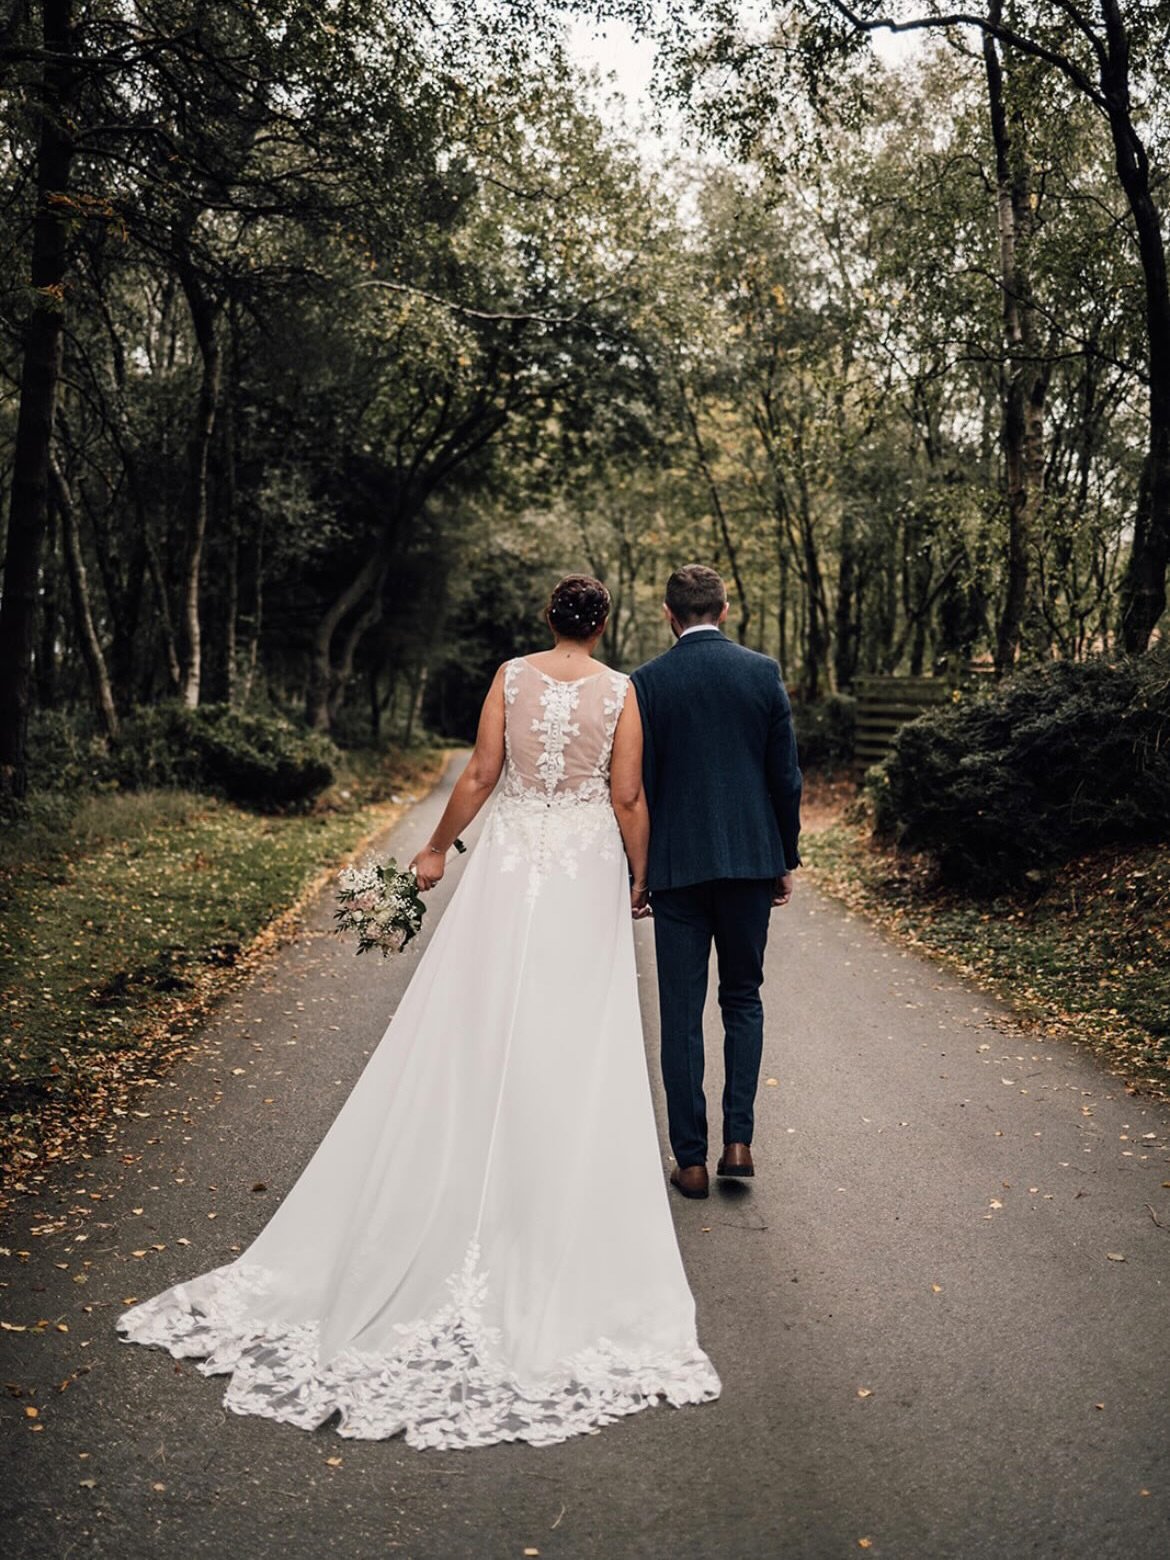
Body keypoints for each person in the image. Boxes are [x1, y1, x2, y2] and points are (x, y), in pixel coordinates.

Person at [117, 574, 720, 1450]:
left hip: (513, 861)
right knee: (571, 1029)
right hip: (582, 866)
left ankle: (463, 1168)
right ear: (603, 628)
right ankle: (546, 1189)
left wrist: (436, 848)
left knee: (474, 1016)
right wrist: (640, 873)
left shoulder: (512, 677)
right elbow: (627, 798)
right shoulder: (623, 693)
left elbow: (482, 772)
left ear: (548, 618)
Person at [631, 564, 802, 1201]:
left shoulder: (646, 683)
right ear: (725, 610)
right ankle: (739, 1142)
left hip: (677, 870)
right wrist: (782, 855)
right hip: (750, 866)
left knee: (679, 1015)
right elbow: (785, 779)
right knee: (743, 999)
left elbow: (636, 787)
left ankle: (692, 1161)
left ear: (669, 615)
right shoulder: (762, 673)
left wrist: (639, 872)